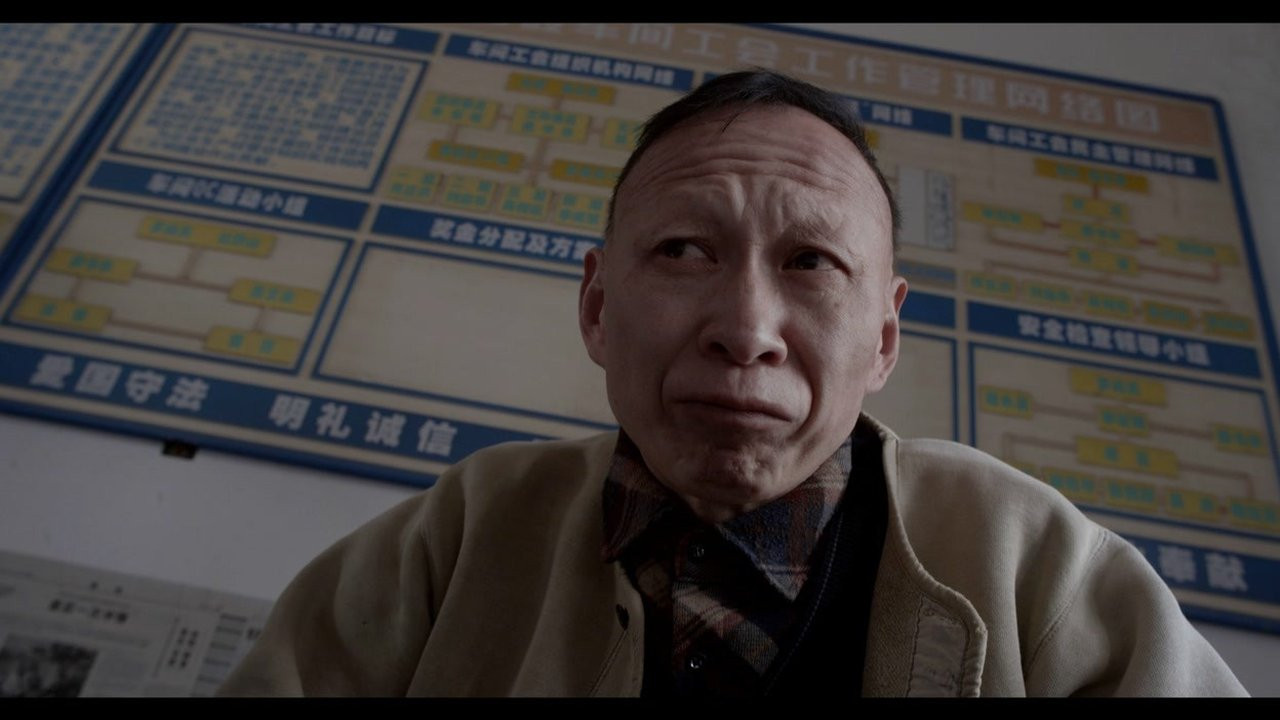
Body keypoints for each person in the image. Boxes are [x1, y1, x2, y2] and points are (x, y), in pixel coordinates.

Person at [218, 70, 1247, 697]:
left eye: (811, 263)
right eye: (681, 250)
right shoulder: (457, 537)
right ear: (596, 307)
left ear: (883, 339)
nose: (746, 331)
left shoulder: (1036, 565)